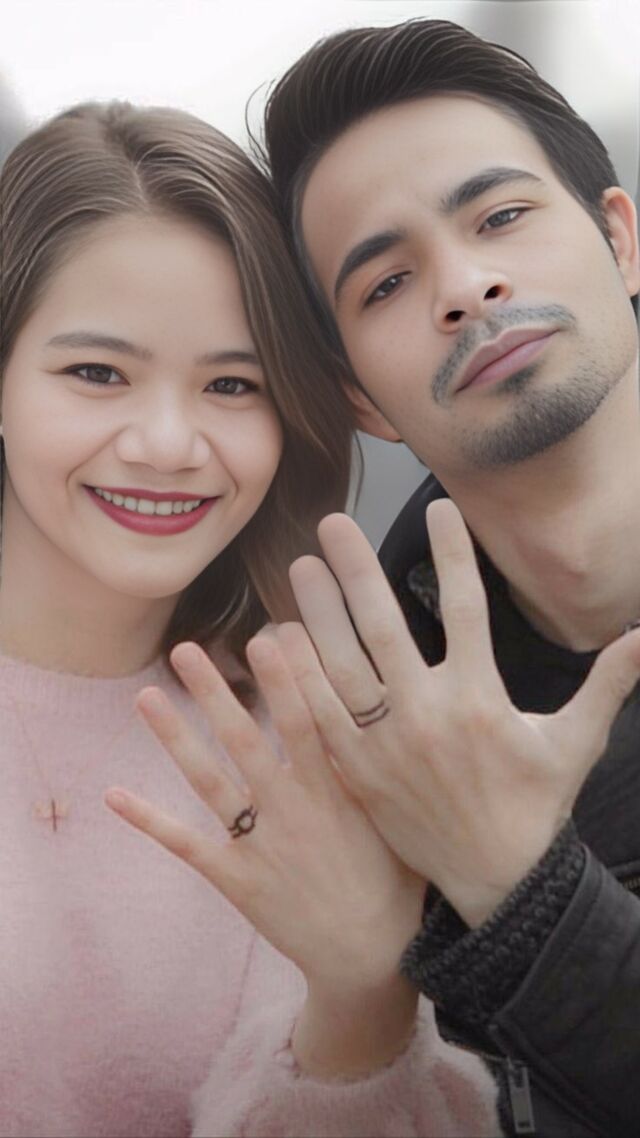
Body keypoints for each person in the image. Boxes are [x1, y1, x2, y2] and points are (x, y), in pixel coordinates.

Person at [0, 100, 499, 1137]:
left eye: (233, 384)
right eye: (97, 373)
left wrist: (360, 1000)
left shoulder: (314, 740)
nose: (168, 444)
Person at [259, 17, 640, 1138]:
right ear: (359, 399)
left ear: (621, 240)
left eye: (500, 217)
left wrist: (522, 893)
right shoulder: (364, 742)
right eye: (385, 282)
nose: (466, 286)